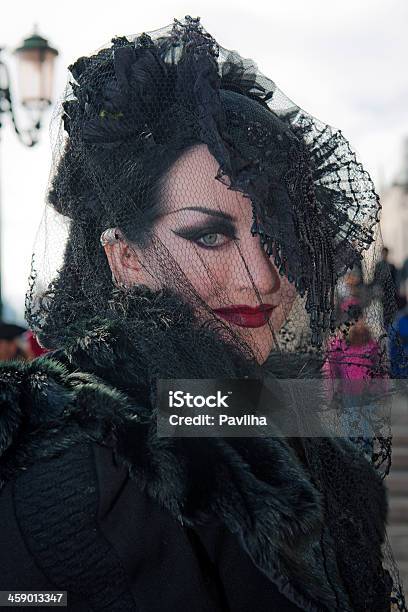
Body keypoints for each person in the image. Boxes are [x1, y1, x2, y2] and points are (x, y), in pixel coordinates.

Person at [0, 17, 405, 612]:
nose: (261, 276)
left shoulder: (249, 403)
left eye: (275, 233)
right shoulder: (90, 459)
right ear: (126, 258)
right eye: (209, 237)